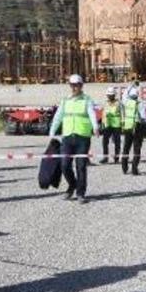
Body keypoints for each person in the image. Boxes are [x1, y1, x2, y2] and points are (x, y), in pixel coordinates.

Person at [48, 74, 99, 203]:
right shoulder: (65, 100)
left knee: (81, 166)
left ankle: (81, 193)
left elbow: (92, 114)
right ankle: (72, 185)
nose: (75, 87)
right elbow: (58, 116)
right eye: (72, 85)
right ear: (70, 86)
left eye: (77, 85)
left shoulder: (87, 100)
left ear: (81, 86)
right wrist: (52, 131)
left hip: (82, 137)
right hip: (68, 136)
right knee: (65, 165)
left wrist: (95, 127)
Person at [121, 88, 146, 175]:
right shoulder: (139, 104)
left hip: (127, 127)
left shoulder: (126, 102)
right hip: (137, 128)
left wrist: (131, 86)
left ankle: (124, 168)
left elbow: (124, 95)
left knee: (126, 148)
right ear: (137, 95)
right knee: (137, 149)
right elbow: (144, 117)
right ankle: (134, 169)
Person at [100, 87, 122, 164]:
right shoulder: (105, 103)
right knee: (105, 141)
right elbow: (103, 114)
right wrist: (103, 123)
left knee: (117, 142)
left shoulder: (119, 103)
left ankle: (116, 158)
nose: (110, 96)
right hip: (107, 125)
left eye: (111, 95)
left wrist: (122, 123)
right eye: (109, 95)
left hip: (116, 125)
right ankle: (105, 157)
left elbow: (123, 113)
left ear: (114, 95)